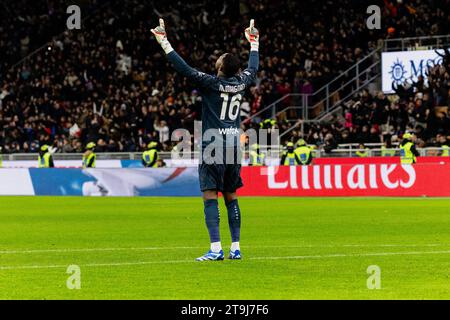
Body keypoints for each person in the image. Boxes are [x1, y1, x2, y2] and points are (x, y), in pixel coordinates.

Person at [151, 18, 259, 261]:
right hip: (234, 145)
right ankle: (236, 248)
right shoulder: (242, 82)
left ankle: (215, 248)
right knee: (231, 195)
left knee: (210, 194)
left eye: (218, 60)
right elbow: (254, 68)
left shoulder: (211, 83)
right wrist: (255, 43)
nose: (216, 61)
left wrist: (163, 41)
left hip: (213, 145)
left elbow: (185, 69)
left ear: (220, 67)